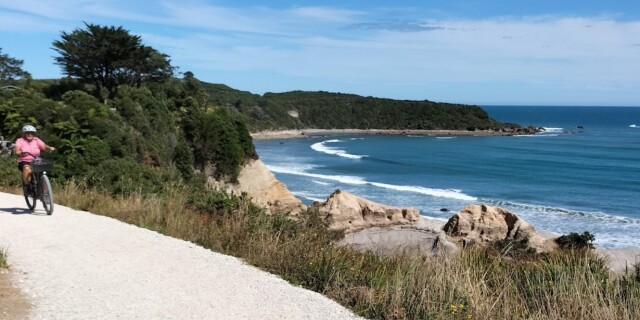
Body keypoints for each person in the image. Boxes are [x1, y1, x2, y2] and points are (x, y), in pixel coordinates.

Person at [14, 125, 55, 193]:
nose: (30, 134)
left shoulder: (36, 140)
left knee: (43, 171)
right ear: (24, 133)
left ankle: (45, 192)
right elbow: (17, 150)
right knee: (27, 169)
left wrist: (50, 147)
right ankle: (27, 187)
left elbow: (43, 146)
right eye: (28, 133)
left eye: (32, 133)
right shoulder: (20, 140)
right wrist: (20, 152)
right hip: (24, 160)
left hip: (36, 160)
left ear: (34, 134)